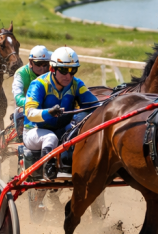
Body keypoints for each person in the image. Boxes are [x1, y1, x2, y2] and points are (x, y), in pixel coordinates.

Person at [23, 47, 99, 179]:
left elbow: (95, 105)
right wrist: (49, 112)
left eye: (72, 71)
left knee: (80, 133)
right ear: (52, 68)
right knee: (50, 138)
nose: (68, 76)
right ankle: (47, 170)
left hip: (63, 130)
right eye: (64, 70)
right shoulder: (39, 84)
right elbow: (30, 113)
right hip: (34, 131)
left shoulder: (76, 84)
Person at [11, 45, 51, 131]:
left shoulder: (51, 73)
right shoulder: (21, 73)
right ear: (31, 62)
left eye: (45, 64)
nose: (42, 68)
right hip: (25, 108)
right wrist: (35, 103)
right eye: (39, 64)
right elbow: (18, 98)